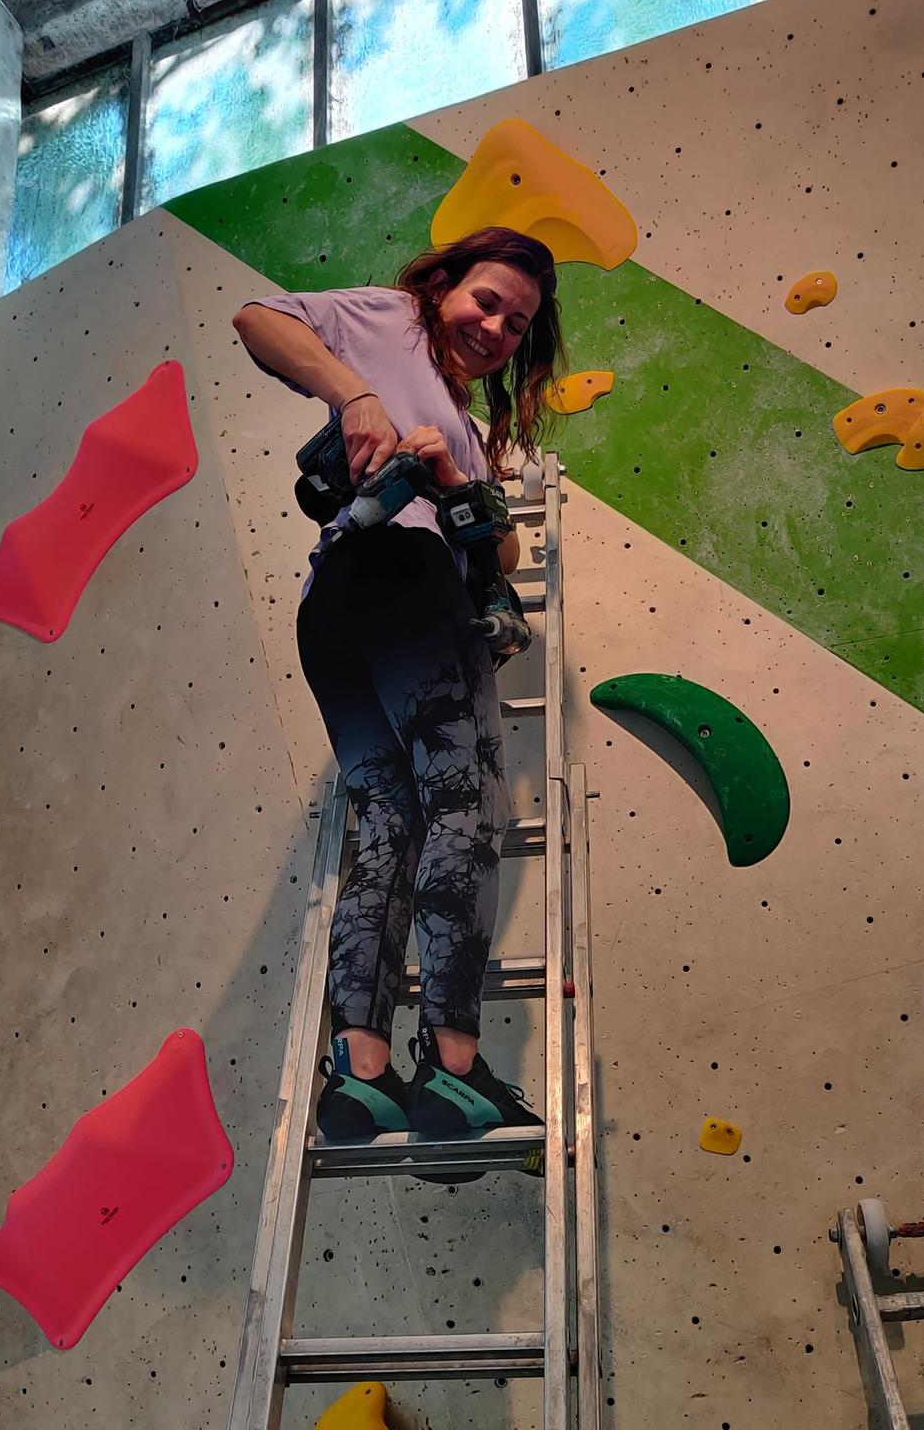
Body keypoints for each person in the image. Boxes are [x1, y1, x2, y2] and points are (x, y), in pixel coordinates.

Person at [232, 227, 567, 1172]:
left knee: (390, 827)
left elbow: (499, 554)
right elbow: (257, 320)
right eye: (487, 301)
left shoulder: (464, 423)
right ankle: (454, 1064)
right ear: (441, 287)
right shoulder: (389, 322)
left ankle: (362, 1069)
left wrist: (462, 477)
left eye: (519, 322)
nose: (498, 326)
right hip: (400, 585)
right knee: (467, 807)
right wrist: (355, 394)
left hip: (337, 618)